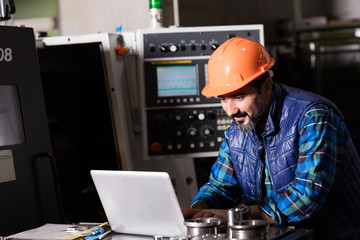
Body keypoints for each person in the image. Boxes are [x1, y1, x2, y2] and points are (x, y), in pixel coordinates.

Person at [182, 37, 360, 239]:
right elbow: (220, 187)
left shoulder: (313, 116)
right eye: (223, 99)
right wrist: (198, 212)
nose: (230, 110)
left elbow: (306, 196)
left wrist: (243, 215)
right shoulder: (238, 129)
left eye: (239, 97)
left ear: (266, 86)